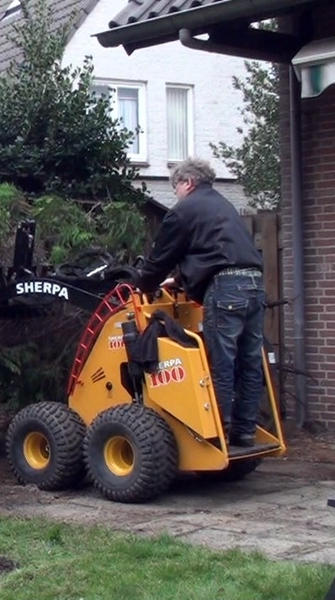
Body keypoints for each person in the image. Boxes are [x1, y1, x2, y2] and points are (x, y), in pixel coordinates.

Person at [137, 158, 265, 447]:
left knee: (221, 360)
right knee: (250, 361)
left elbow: (161, 257)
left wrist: (143, 285)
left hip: (225, 289)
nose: (176, 194)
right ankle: (245, 431)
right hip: (254, 284)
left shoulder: (184, 211)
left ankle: (219, 431)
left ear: (188, 182)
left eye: (176, 187)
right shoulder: (223, 206)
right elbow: (217, 251)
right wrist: (180, 280)